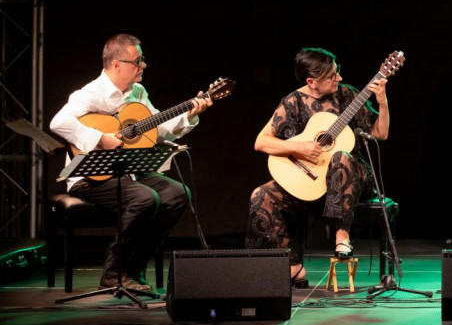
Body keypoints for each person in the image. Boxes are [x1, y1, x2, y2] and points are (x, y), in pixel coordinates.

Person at [49, 33, 212, 292]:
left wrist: (189, 116)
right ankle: (113, 272)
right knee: (145, 198)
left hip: (129, 172)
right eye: (138, 61)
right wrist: (100, 138)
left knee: (178, 194)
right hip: (90, 178)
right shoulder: (91, 93)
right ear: (117, 64)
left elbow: (156, 129)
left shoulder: (137, 91)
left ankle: (133, 267)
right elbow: (57, 123)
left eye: (142, 60)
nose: (143, 66)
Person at [246, 47, 388, 287]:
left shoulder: (347, 95)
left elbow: (380, 133)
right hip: (310, 181)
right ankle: (293, 266)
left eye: (337, 72)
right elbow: (261, 142)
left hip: (348, 178)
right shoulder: (292, 102)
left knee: (341, 157)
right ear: (311, 82)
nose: (339, 78)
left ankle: (342, 234)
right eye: (332, 76)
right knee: (261, 196)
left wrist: (382, 101)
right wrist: (298, 148)